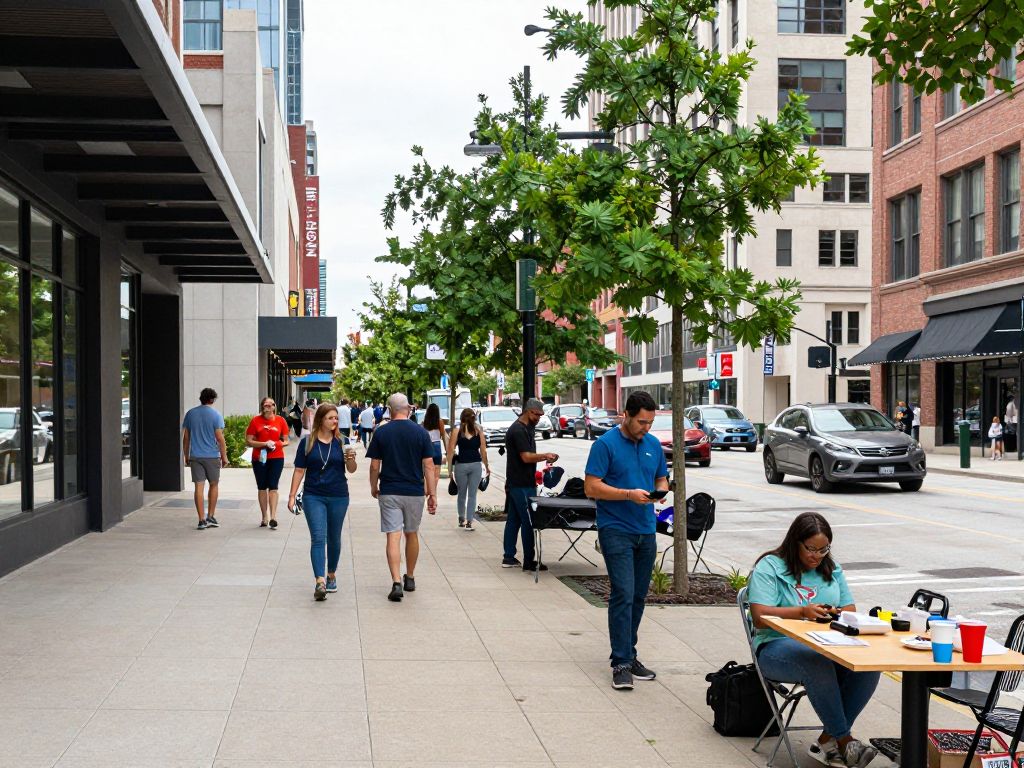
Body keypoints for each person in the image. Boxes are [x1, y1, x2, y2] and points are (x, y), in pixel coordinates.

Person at [748, 512, 879, 768]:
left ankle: (827, 741)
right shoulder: (771, 566)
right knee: (815, 663)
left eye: (823, 550)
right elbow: (759, 616)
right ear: (795, 542)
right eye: (810, 549)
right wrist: (802, 612)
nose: (816, 556)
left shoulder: (831, 568)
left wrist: (835, 613)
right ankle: (844, 741)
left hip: (826, 643)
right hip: (775, 646)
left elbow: (849, 609)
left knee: (869, 665)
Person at [583, 391, 668, 691]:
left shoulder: (654, 445)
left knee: (639, 595)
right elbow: (591, 487)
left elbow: (661, 478)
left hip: (646, 529)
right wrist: (628, 494)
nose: (646, 427)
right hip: (615, 528)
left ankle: (629, 654)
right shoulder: (605, 445)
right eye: (642, 422)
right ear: (626, 415)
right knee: (623, 592)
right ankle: (620, 662)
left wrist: (660, 490)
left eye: (650, 422)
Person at [366, 393, 436, 602]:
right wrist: (432, 493)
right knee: (412, 534)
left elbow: (374, 465)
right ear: (408, 408)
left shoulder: (381, 432)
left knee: (393, 536)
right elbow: (429, 465)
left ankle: (396, 582)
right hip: (414, 491)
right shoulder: (421, 433)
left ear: (390, 409)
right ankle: (411, 577)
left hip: (389, 490)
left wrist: (373, 486)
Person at [286, 403, 358, 601]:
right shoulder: (308, 442)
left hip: (338, 495)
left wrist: (350, 459)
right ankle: (320, 581)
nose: (335, 421)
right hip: (313, 495)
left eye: (336, 418)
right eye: (330, 418)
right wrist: (292, 496)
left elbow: (351, 470)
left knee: (334, 537)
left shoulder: (342, 441)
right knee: (318, 537)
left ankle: (331, 574)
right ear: (321, 420)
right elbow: (299, 470)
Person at [502, 398, 558, 572]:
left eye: (541, 415)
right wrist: (545, 456)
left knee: (514, 519)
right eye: (537, 414)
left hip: (518, 481)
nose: (539, 418)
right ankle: (529, 560)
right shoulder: (519, 430)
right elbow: (526, 457)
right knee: (527, 520)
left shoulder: (526, 428)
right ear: (528, 411)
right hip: (520, 483)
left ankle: (509, 557)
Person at [181, 387, 229, 530]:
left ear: (201, 398)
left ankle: (201, 520)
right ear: (212, 399)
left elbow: (186, 438)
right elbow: (220, 439)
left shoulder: (190, 414)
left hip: (195, 456)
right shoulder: (216, 415)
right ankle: (211, 516)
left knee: (198, 487)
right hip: (212, 456)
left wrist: (186, 456)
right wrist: (224, 457)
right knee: (214, 484)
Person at [245, 397, 290, 529]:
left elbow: (286, 440)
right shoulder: (255, 420)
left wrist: (277, 444)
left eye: (271, 404)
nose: (269, 406)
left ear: (275, 407)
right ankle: (264, 516)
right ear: (262, 406)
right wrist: (264, 444)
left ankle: (273, 517)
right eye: (266, 404)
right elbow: (249, 440)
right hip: (260, 457)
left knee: (273, 486)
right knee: (262, 486)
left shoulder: (281, 420)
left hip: (276, 457)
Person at [446, 407, 489, 530]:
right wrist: (486, 466)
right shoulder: (478, 430)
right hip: (476, 464)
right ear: (474, 418)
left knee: (462, 494)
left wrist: (450, 469)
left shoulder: (457, 431)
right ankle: (469, 521)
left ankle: (461, 518)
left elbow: (450, 451)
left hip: (461, 465)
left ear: (461, 418)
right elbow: (483, 450)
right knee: (472, 495)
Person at [420, 403, 448, 496]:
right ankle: (433, 493)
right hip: (436, 447)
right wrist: (447, 451)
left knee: (427, 472)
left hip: (427, 447)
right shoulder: (440, 422)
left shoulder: (424, 423)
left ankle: (426, 491)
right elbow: (443, 436)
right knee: (436, 474)